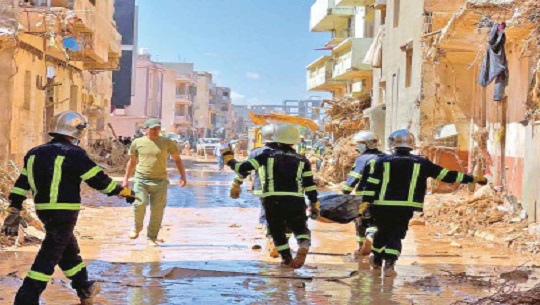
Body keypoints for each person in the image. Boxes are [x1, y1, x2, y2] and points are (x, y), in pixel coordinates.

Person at [1, 111, 136, 305]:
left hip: (44, 211)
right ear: (76, 131)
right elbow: (99, 180)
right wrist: (123, 192)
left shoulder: (34, 153)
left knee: (67, 250)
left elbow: (22, 184)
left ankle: (84, 287)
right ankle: (26, 298)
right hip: (65, 212)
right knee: (48, 256)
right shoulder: (74, 153)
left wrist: (14, 209)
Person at [361, 129, 488, 277]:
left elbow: (371, 184)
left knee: (382, 232)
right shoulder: (422, 162)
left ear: (392, 144)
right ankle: (390, 265)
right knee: (396, 234)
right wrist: (472, 178)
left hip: (381, 206)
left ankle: (376, 261)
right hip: (405, 207)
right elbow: (446, 175)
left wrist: (365, 203)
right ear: (412, 145)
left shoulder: (381, 162)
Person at [222, 124, 319, 269]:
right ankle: (304, 244)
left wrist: (229, 159)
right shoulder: (302, 159)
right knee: (300, 227)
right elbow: (310, 185)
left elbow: (243, 169)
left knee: (277, 230)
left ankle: (287, 259)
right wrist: (314, 203)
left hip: (272, 199)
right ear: (294, 141)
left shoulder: (265, 155)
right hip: (296, 199)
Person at [122, 118, 187, 246]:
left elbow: (177, 160)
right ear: (146, 129)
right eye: (152, 129)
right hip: (141, 179)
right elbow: (132, 162)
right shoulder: (137, 142)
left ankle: (151, 237)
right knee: (139, 204)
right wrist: (126, 179)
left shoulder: (167, 142)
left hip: (160, 182)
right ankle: (137, 227)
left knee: (157, 210)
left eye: (157, 128)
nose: (155, 131)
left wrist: (183, 176)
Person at [228, 124, 290, 258]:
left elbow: (245, 170)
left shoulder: (257, 152)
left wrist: (236, 183)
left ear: (264, 138)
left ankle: (272, 237)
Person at [341, 131, 385, 259]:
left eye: (360, 144)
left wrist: (344, 193)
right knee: (376, 221)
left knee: (360, 221)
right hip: (383, 197)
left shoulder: (362, 159)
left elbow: (353, 178)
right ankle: (371, 238)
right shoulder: (386, 157)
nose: (357, 147)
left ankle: (361, 246)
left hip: (364, 196)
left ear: (368, 144)